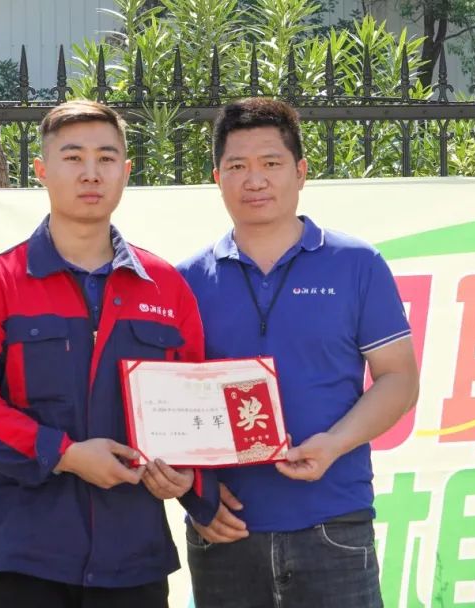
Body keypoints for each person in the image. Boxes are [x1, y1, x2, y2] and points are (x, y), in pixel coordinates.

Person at [0, 99, 218, 608]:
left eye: (106, 158)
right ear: (42, 170)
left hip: (133, 558)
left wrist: (187, 476)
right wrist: (63, 454)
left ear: (125, 171)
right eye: (73, 158)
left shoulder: (166, 287)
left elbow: (195, 399)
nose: (91, 173)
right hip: (24, 558)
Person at [177, 98, 420, 608]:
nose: (254, 180)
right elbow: (168, 403)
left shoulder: (356, 264)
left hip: (333, 523)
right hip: (224, 529)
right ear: (217, 177)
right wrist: (194, 492)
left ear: (301, 172)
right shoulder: (186, 281)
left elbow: (399, 379)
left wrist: (333, 444)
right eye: (237, 166)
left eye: (271, 163)